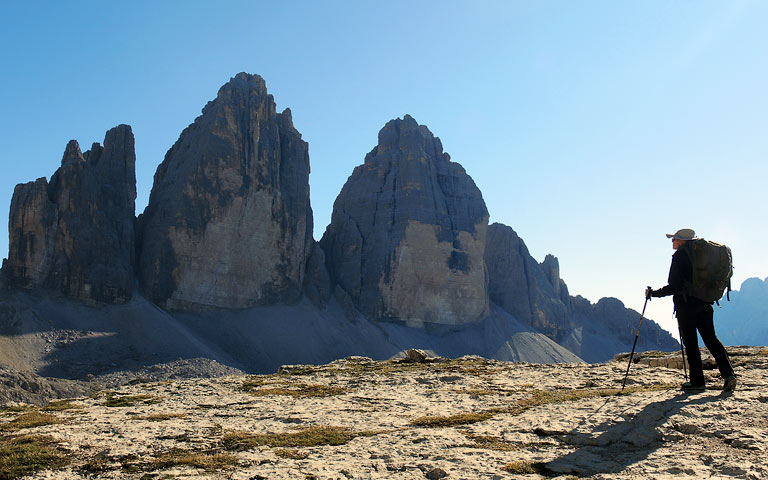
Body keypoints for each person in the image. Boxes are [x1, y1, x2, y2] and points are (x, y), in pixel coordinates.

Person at [645, 228, 736, 392]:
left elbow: (674, 286)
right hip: (706, 303)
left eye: (674, 239)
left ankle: (697, 381)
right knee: (711, 339)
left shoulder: (680, 255)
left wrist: (654, 293)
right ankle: (729, 374)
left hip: (686, 306)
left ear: (682, 241)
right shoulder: (703, 254)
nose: (672, 242)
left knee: (691, 343)